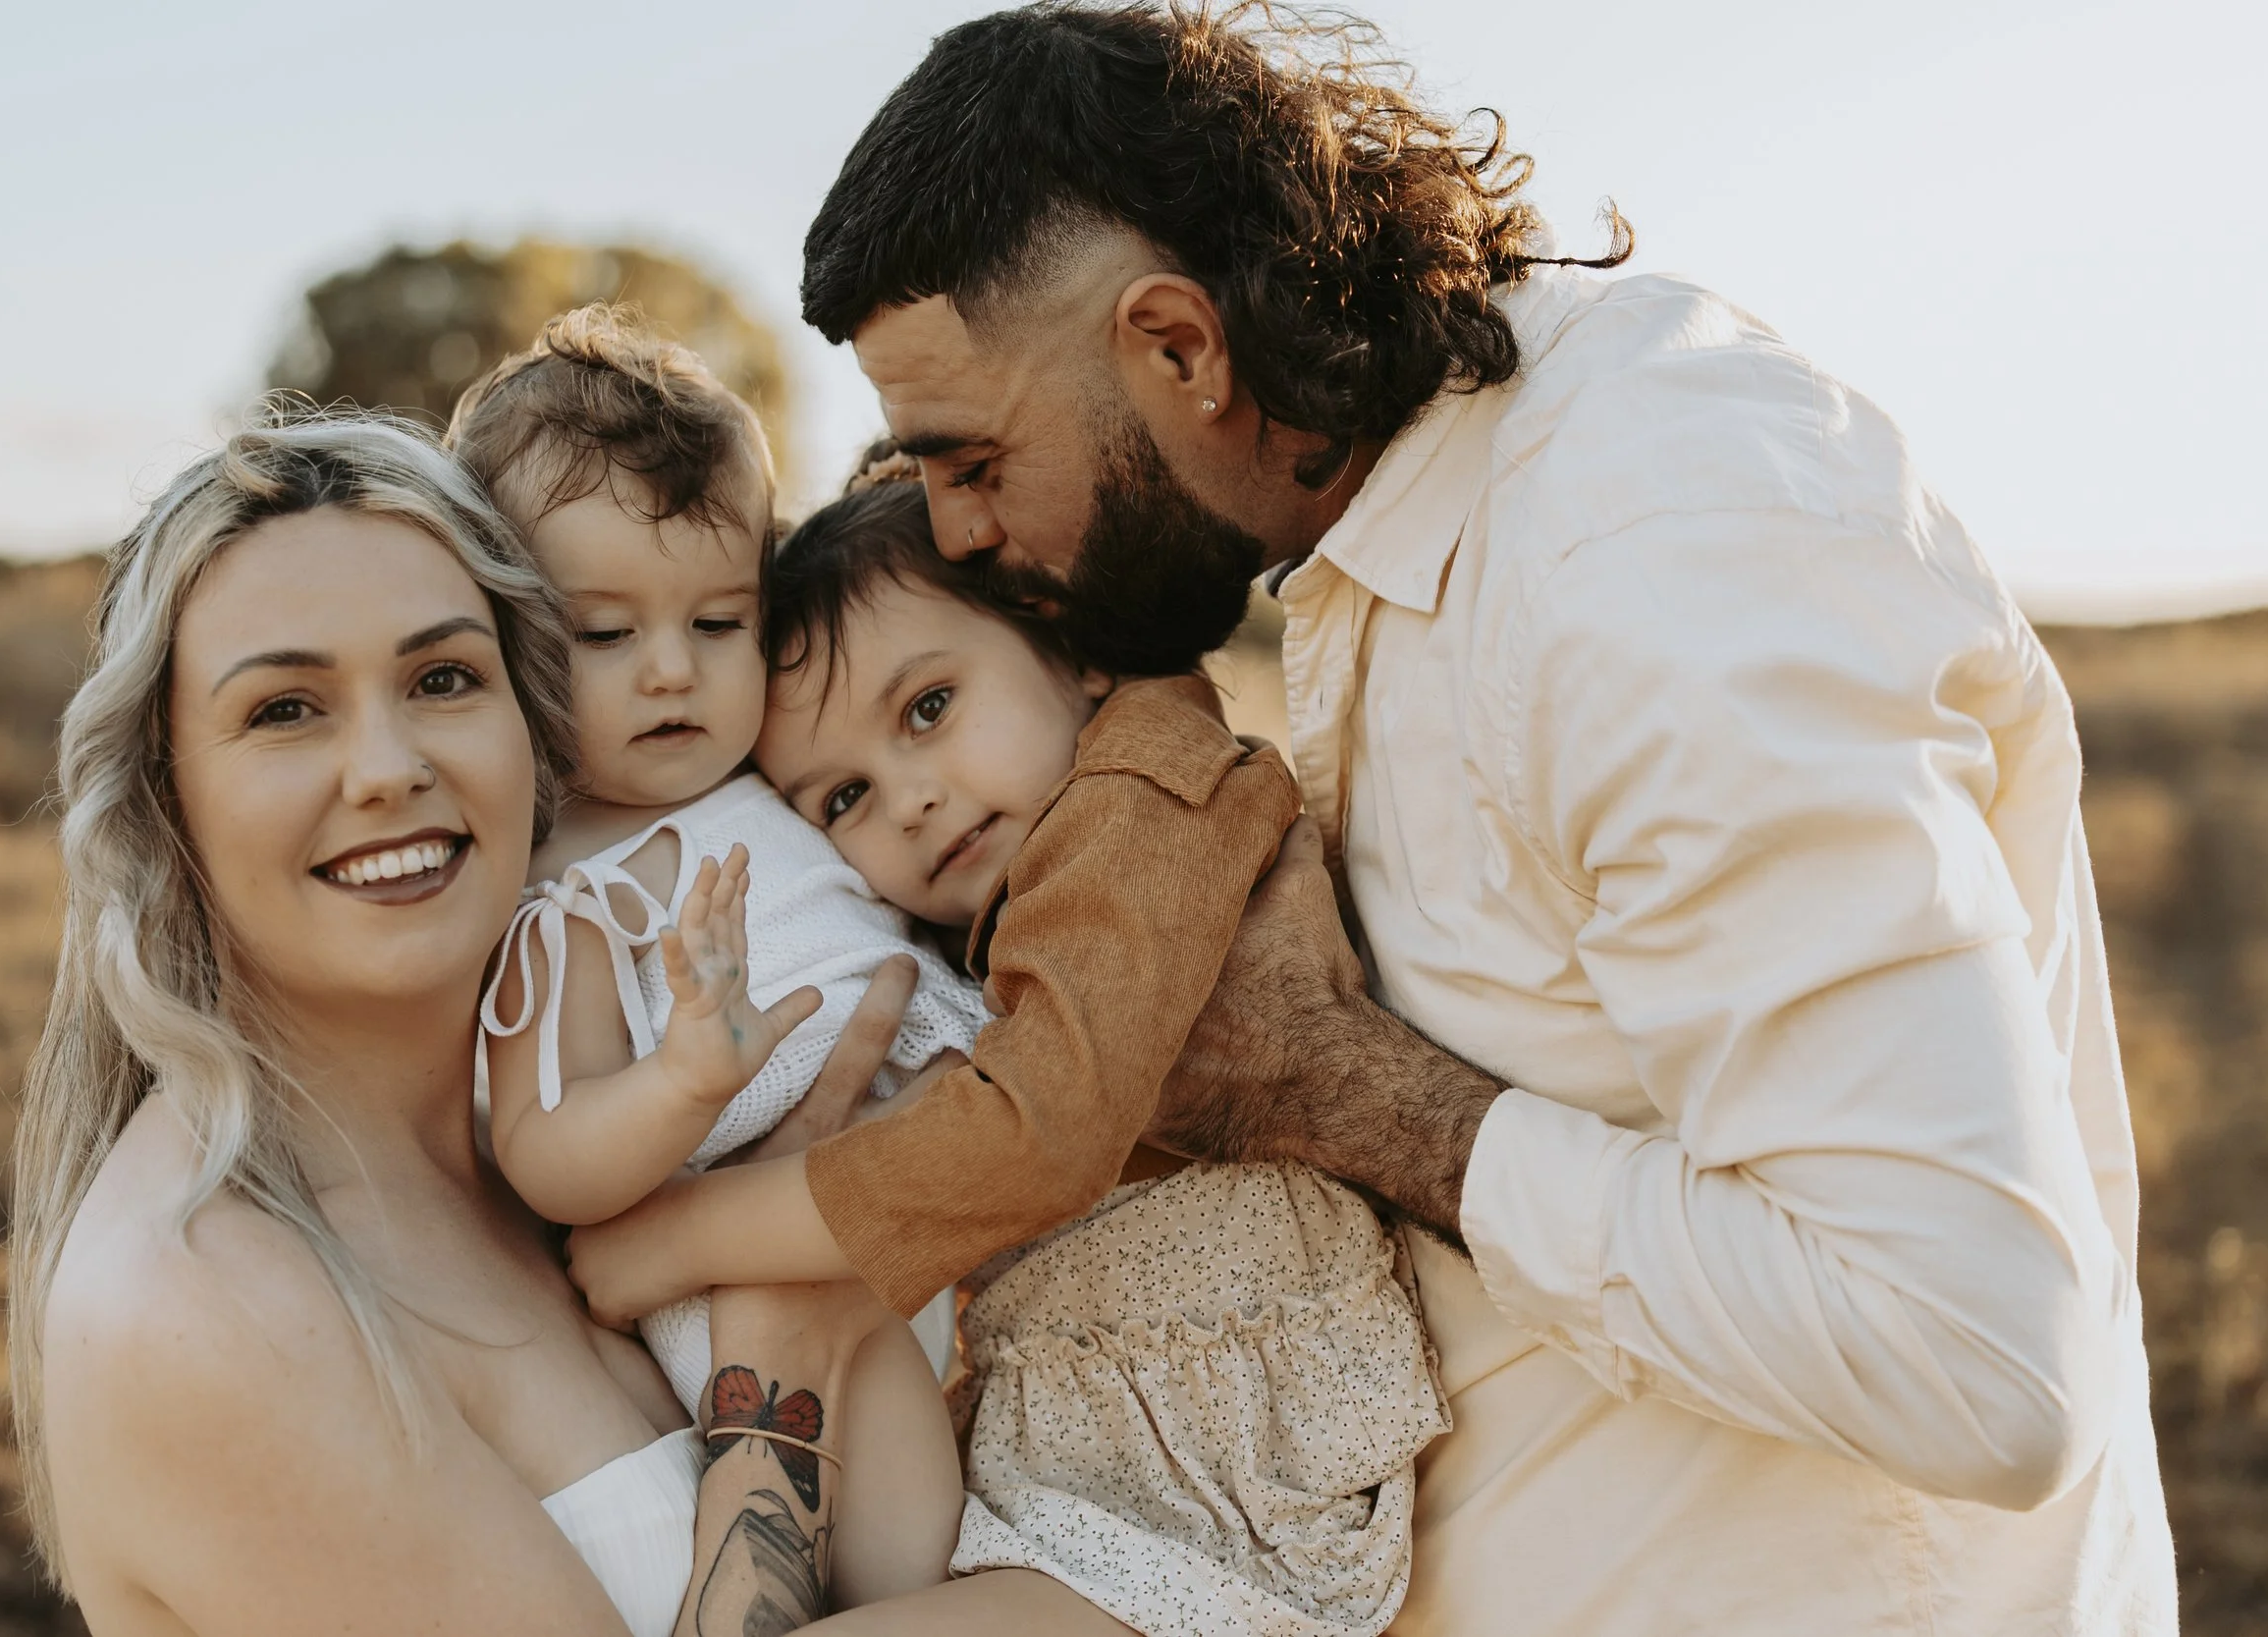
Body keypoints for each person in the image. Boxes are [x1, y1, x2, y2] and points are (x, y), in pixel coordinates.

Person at [779, 5, 2178, 1634]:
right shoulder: (1396, 535)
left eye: (969, 458)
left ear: (1178, 348)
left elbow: (1979, 1357)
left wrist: (1338, 1091)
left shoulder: (1647, 550)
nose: (952, 528)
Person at [5, 409, 910, 1635]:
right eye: (285, 709)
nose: (386, 766)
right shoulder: (196, 1301)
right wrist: (780, 1369)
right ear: (166, 802)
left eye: (442, 679)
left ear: (536, 734)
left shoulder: (589, 1120)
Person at [570, 459, 1449, 1637]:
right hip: (1071, 1460)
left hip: (1218, 1476)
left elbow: (1040, 1130)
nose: (912, 800)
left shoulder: (1146, 788)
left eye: (929, 707)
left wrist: (676, 1237)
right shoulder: (984, 910)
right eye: (842, 799)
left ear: (1071, 644)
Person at [444, 308, 982, 1604]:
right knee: (911, 1550)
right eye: (606, 633)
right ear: (507, 635)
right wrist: (685, 1079)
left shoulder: (778, 776)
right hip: (751, 1259)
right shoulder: (567, 894)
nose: (672, 671)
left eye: (720, 621)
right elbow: (545, 1145)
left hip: (927, 1195)